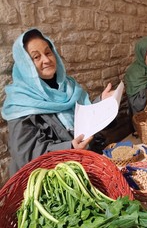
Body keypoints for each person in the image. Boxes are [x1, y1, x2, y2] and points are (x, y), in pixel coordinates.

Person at [1, 28, 113, 175]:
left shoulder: (69, 87)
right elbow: (26, 155)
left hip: (81, 168)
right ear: (25, 65)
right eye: (36, 57)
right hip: (50, 184)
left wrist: (101, 103)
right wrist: (70, 148)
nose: (46, 60)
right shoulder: (21, 102)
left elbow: (83, 116)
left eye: (48, 53)